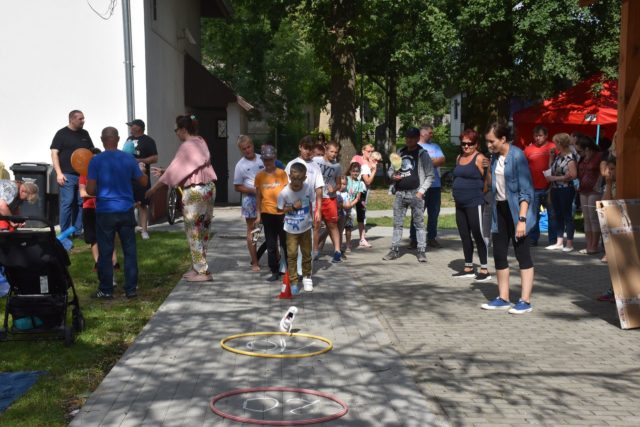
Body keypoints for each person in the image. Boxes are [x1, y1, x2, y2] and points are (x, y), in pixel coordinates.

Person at [146, 115, 217, 282]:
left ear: (184, 129)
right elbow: (189, 168)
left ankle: (202, 272)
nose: (176, 133)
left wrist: (153, 189)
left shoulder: (186, 146)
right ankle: (197, 267)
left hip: (194, 191)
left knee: (193, 231)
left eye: (176, 130)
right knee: (204, 229)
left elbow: (175, 171)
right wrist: (166, 172)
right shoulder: (201, 142)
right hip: (209, 188)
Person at [480, 122, 536, 314]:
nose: (489, 145)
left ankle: (525, 301)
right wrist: (487, 169)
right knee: (499, 253)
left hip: (517, 211)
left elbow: (526, 191)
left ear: (503, 139)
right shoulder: (495, 157)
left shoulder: (517, 156)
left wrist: (522, 220)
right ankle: (503, 298)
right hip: (499, 209)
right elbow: (492, 185)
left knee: (522, 254)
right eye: (487, 141)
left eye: (492, 141)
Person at [86, 127, 147, 300]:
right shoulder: (128, 159)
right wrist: (143, 170)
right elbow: (143, 182)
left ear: (102, 140)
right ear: (118, 139)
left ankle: (106, 290)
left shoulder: (95, 161)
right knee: (129, 250)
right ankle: (131, 289)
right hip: (125, 209)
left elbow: (90, 190)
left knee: (105, 252)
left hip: (105, 211)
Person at [383, 127, 434, 263]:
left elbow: (430, 175)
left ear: (417, 138)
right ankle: (394, 250)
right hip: (400, 193)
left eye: (412, 137)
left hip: (415, 193)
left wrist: (421, 192)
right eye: (407, 137)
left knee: (419, 224)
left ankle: (421, 251)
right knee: (397, 223)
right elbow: (390, 171)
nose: (409, 140)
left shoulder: (422, 154)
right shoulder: (400, 152)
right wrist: (393, 176)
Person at [451, 129, 491, 282]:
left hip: (474, 202)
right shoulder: (459, 157)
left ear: (476, 144)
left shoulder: (480, 158)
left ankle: (484, 269)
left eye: (470, 144)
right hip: (459, 204)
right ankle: (468, 268)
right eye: (463, 143)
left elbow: (488, 181)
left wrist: (488, 168)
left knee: (478, 235)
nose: (466, 146)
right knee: (464, 235)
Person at [50, 110, 94, 236]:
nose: (83, 121)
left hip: (83, 175)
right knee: (67, 203)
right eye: (80, 119)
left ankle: (77, 231)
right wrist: (59, 173)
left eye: (83, 118)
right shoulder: (61, 134)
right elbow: (54, 153)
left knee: (81, 203)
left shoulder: (85, 134)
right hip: (67, 175)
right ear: (72, 119)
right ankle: (65, 233)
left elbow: (91, 152)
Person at [78, 148, 119, 273]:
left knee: (110, 235)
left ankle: (114, 262)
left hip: (105, 208)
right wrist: (99, 194)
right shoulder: (84, 174)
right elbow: (82, 193)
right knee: (93, 237)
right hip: (89, 209)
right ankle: (97, 262)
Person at [285, 136, 324, 266]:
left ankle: (306, 267)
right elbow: (286, 186)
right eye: (305, 148)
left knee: (307, 236)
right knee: (293, 236)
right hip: (294, 206)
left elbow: (319, 188)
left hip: (309, 206)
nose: (308, 151)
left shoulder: (315, 166)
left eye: (310, 149)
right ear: (300, 147)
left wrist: (318, 209)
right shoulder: (292, 164)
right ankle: (293, 265)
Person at [278, 162, 316, 292]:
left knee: (307, 254)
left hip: (306, 228)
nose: (296, 182)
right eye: (294, 178)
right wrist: (293, 207)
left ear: (305, 178)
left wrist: (313, 219)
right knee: (292, 255)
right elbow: (279, 210)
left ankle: (307, 278)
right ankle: (293, 281)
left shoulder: (308, 188)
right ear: (289, 176)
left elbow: (311, 204)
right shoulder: (284, 192)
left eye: (299, 179)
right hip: (290, 229)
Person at [254, 145, 288, 282]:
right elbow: (258, 197)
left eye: (270, 159)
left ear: (275, 159)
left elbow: (287, 193)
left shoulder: (282, 174)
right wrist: (258, 215)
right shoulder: (259, 176)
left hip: (281, 213)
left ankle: (288, 269)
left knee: (285, 243)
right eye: (265, 160)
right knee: (271, 244)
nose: (268, 162)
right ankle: (274, 270)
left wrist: (288, 211)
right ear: (262, 160)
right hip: (267, 213)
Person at [410, 124, 445, 249]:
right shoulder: (415, 147)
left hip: (435, 186)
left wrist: (427, 161)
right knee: (417, 213)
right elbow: (415, 163)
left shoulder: (435, 146)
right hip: (420, 186)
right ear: (423, 133)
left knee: (434, 213)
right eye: (430, 132)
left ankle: (431, 238)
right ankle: (414, 239)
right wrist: (433, 161)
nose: (432, 134)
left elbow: (442, 160)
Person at [233, 135, 265, 272]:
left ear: (252, 145)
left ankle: (276, 258)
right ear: (241, 150)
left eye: (249, 147)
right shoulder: (240, 165)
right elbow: (237, 186)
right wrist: (253, 190)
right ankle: (255, 262)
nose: (247, 150)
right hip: (250, 200)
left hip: (267, 198)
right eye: (244, 149)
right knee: (253, 230)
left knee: (270, 229)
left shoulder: (262, 158)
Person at [523, 125, 557, 247]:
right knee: (534, 215)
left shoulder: (553, 147)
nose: (538, 138)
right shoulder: (528, 149)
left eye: (540, 135)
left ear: (546, 136)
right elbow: (523, 166)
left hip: (550, 186)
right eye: (536, 136)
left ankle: (553, 240)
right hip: (534, 187)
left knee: (552, 215)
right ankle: (533, 239)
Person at [124, 119, 158, 240]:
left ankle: (144, 230)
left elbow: (155, 158)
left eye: (131, 126)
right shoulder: (129, 139)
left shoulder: (148, 141)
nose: (130, 128)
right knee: (129, 203)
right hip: (128, 177)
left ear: (138, 127)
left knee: (143, 204)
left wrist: (139, 160)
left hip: (142, 176)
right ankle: (131, 227)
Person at [545, 133, 578, 252]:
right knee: (557, 215)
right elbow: (551, 169)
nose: (554, 145)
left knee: (567, 215)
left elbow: (573, 175)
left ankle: (569, 243)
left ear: (560, 143)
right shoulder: (558, 156)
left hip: (566, 189)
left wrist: (555, 178)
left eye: (556, 143)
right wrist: (551, 157)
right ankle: (559, 242)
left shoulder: (570, 157)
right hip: (555, 189)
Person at [313, 140, 343, 263]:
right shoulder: (316, 160)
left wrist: (334, 189)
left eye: (336, 152)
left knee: (332, 225)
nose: (334, 154)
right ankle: (315, 251)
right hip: (316, 197)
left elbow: (339, 184)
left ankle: (337, 251)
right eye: (331, 151)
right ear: (325, 150)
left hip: (329, 198)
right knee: (316, 225)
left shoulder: (337, 166)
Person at [576, 135, 602, 255]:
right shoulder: (582, 159)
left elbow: (602, 171)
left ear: (587, 148)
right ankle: (589, 245)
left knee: (593, 218)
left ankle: (594, 246)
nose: (578, 153)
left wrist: (599, 184)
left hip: (594, 190)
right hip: (583, 189)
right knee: (586, 218)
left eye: (579, 150)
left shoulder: (598, 156)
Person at [343, 162, 365, 252]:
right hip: (341, 205)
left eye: (357, 171)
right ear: (350, 171)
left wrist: (350, 205)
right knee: (339, 227)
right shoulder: (346, 179)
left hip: (350, 207)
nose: (355, 173)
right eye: (353, 171)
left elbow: (358, 198)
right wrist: (344, 205)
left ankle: (348, 244)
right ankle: (338, 245)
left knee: (348, 227)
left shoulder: (360, 183)